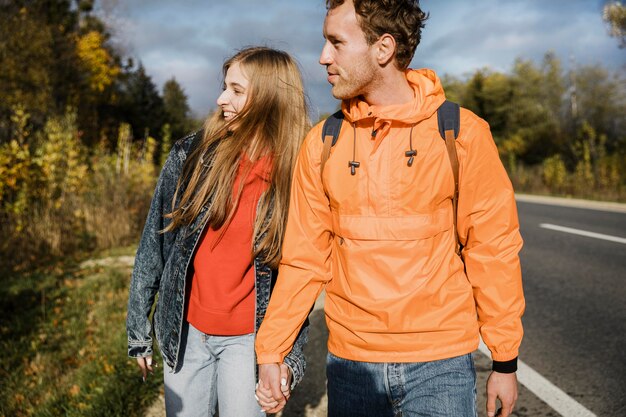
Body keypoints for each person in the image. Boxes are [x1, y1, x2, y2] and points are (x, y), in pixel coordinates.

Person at [254, 1, 525, 416]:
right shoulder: (322, 142)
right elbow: (304, 260)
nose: (323, 57)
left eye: (336, 43)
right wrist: (272, 349)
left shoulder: (461, 133)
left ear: (383, 49)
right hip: (350, 365)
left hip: (441, 365)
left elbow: (493, 251)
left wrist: (504, 360)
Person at [126, 46, 310, 417]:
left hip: (250, 342)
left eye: (236, 90)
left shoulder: (298, 172)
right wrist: (139, 333)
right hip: (186, 331)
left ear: (270, 98)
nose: (221, 98)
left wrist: (288, 359)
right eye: (225, 86)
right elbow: (153, 247)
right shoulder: (192, 155)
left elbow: (299, 278)